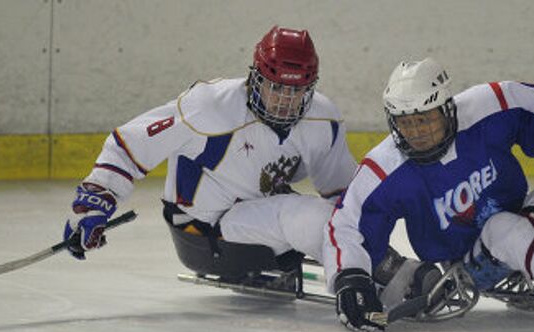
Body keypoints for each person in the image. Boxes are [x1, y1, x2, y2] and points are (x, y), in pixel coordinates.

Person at [324, 57, 534, 332]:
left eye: (425, 118)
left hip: (512, 225)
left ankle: (524, 259)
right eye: (406, 122)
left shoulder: (485, 106)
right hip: (465, 268)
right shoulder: (384, 167)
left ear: (447, 108)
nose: (417, 132)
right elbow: (346, 223)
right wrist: (351, 278)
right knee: (501, 227)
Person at [63, 26, 357, 274]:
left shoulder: (322, 119)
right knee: (304, 215)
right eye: (275, 87)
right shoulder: (209, 107)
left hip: (256, 218)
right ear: (256, 77)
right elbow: (130, 145)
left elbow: (342, 194)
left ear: (310, 88)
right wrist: (93, 203)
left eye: (295, 91)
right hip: (201, 234)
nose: (284, 101)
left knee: (329, 215)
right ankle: (369, 276)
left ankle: (376, 267)